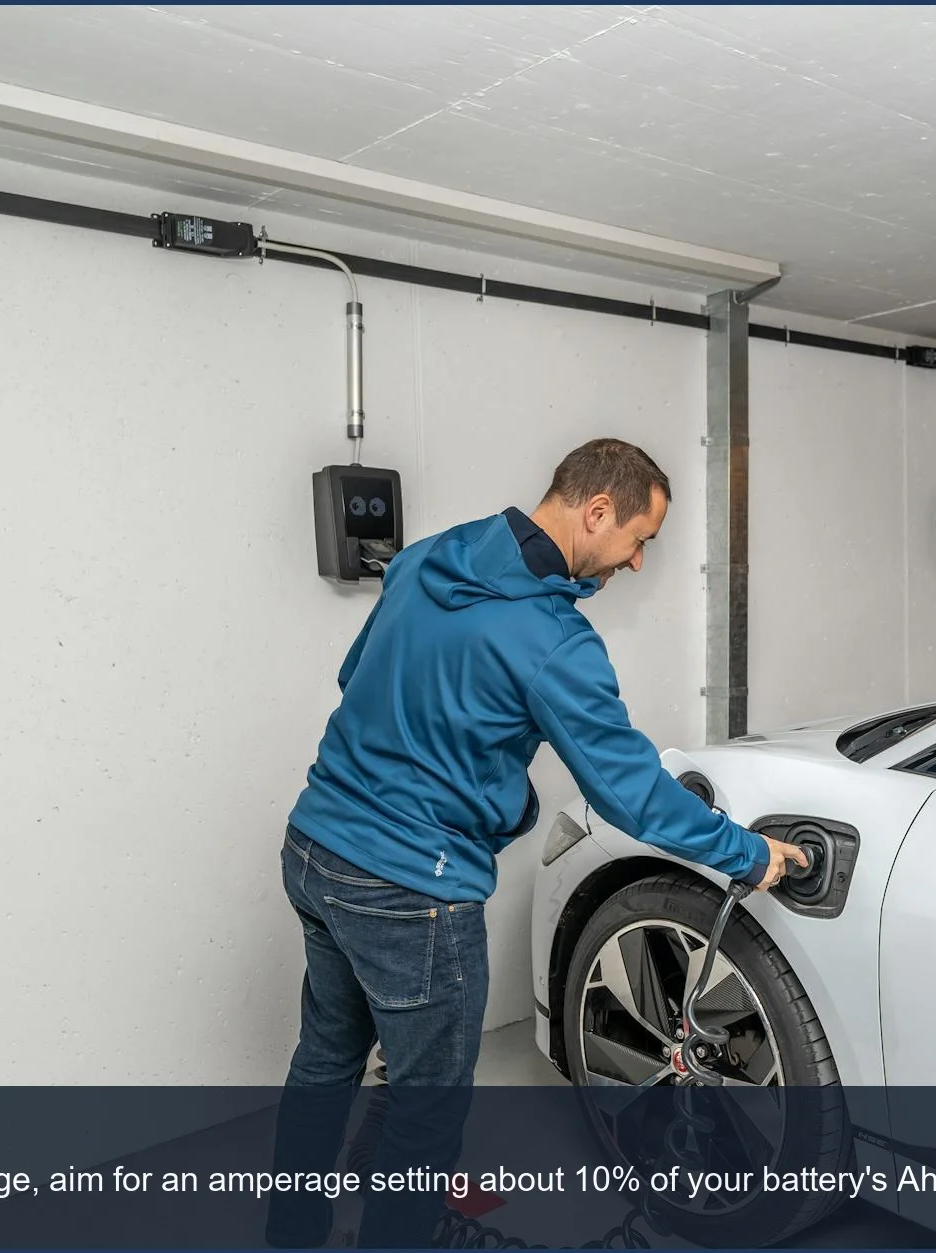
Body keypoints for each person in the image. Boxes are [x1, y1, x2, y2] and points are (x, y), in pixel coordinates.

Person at [266, 437, 806, 1248]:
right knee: (426, 1107)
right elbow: (629, 792)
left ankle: (291, 1232)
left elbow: (358, 679)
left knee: (325, 1058)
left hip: (315, 846)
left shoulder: (428, 557)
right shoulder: (553, 640)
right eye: (639, 540)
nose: (633, 563)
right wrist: (748, 853)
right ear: (596, 511)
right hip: (411, 887)